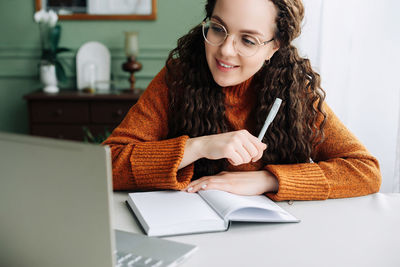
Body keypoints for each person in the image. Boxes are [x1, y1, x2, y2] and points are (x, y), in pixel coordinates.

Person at [103, 0, 381, 201]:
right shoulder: (176, 79)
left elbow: (364, 170)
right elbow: (106, 166)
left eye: (247, 40)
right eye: (217, 28)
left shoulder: (294, 91)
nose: (224, 50)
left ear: (275, 46)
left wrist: (267, 180)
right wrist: (200, 146)